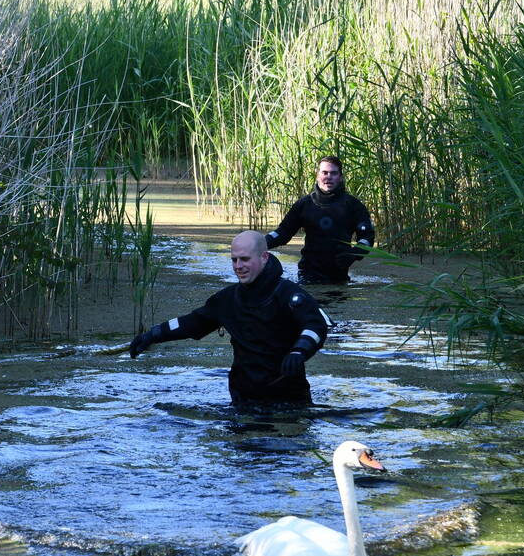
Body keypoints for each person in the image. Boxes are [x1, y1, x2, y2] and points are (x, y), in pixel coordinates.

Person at [129, 230, 329, 407]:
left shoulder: (290, 295)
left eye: (244, 259)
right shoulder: (226, 300)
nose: (238, 266)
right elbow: (191, 323)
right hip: (243, 400)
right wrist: (153, 334)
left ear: (264, 257)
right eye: (234, 260)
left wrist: (299, 352)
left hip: (289, 400)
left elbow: (316, 325)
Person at [265, 155, 376, 284]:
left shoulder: (353, 206)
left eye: (333, 173)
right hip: (308, 276)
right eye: (325, 172)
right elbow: (283, 233)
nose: (328, 177)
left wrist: (354, 254)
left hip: (339, 277)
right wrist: (259, 244)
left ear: (340, 177)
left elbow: (367, 237)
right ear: (318, 175)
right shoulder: (304, 204)